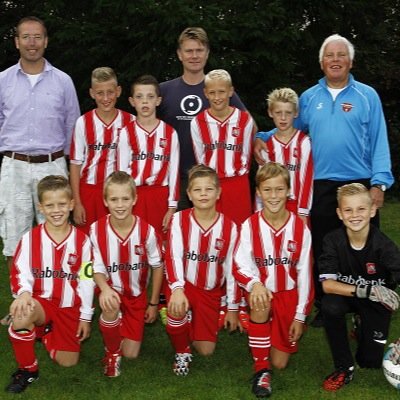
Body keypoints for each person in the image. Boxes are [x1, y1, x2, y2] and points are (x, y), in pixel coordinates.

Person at [254, 33, 394, 327]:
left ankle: (368, 304)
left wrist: (379, 183)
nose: (335, 60)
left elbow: (380, 139)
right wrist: (261, 137)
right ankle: (324, 302)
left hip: (359, 181)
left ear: (351, 61)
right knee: (322, 245)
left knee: (364, 245)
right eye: (329, 55)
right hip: (320, 185)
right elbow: (289, 128)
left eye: (341, 55)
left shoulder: (367, 96)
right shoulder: (309, 98)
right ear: (321, 62)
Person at [0, 16, 80, 272]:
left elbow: (73, 127)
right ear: (16, 42)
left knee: (58, 233)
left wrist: (68, 165)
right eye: (26, 37)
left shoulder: (63, 81)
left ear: (46, 41)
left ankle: (57, 300)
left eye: (37, 37)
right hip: (15, 166)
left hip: (52, 166)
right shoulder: (3, 81)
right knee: (14, 237)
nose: (31, 43)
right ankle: (19, 305)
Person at [5, 175, 94, 393]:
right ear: (41, 207)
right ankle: (28, 369)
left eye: (62, 204)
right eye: (50, 205)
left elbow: (87, 281)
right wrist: (24, 293)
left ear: (71, 204)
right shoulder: (30, 239)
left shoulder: (82, 241)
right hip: (41, 303)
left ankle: (43, 332)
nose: (57, 210)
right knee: (21, 313)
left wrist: (85, 316)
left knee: (68, 362)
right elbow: (19, 271)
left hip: (68, 307)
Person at [233, 162, 314, 398]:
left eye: (279, 189)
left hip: (289, 296)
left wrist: (300, 316)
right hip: (263, 293)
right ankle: (261, 370)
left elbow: (306, 276)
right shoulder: (250, 225)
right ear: (258, 192)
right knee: (260, 299)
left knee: (280, 363)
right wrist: (254, 284)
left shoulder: (300, 229)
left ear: (288, 190)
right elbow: (239, 264)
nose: (274, 196)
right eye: (267, 190)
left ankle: (262, 335)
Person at [319, 183, 400, 391]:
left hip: (377, 300)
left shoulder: (384, 246)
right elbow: (327, 285)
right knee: (330, 306)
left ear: (372, 210)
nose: (355, 215)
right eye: (348, 210)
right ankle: (344, 367)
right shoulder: (332, 241)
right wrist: (366, 290)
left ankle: (360, 325)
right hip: (348, 295)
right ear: (339, 213)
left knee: (370, 361)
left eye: (361, 209)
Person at [158, 27, 248, 211]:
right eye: (189, 51)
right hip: (175, 178)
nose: (194, 55)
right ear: (179, 54)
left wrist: (262, 138)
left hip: (211, 180)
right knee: (179, 235)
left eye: (199, 50)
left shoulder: (220, 89)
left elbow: (248, 124)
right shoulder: (164, 91)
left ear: (207, 53)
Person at [165, 164, 239, 376]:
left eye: (209, 189)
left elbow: (232, 269)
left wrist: (233, 307)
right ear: (188, 194)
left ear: (218, 192)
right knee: (177, 310)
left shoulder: (230, 227)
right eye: (197, 190)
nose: (203, 194)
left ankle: (188, 323)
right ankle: (182, 350)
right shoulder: (179, 220)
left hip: (210, 291)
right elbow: (173, 256)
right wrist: (177, 288)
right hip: (185, 284)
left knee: (206, 350)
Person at [91, 171, 163, 377]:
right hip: (111, 291)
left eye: (125, 199)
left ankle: (118, 325)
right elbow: (93, 267)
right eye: (114, 199)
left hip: (136, 296)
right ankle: (112, 353)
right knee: (111, 302)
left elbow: (158, 266)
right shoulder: (96, 230)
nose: (120, 205)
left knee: (131, 354)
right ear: (105, 201)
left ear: (135, 199)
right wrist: (104, 289)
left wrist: (153, 302)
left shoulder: (146, 231)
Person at [70, 67, 134, 235]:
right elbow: (75, 164)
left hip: (119, 192)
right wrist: (77, 203)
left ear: (118, 91)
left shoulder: (131, 121)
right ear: (92, 93)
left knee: (117, 239)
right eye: (100, 93)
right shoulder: (83, 122)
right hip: (89, 192)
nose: (105, 98)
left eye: (110, 92)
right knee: (86, 243)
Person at [117, 74, 180, 239]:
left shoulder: (170, 133)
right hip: (135, 198)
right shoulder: (126, 133)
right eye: (139, 97)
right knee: (136, 246)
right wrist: (124, 202)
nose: (145, 101)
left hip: (160, 197)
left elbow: (174, 173)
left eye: (150, 96)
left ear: (158, 100)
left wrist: (172, 207)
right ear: (132, 101)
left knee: (161, 248)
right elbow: (121, 174)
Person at [190, 69, 254, 226]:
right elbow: (200, 160)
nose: (217, 97)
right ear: (205, 93)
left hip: (238, 185)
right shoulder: (197, 122)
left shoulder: (245, 120)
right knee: (213, 231)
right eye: (212, 92)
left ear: (231, 91)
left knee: (240, 232)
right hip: (210, 184)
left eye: (221, 92)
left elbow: (247, 154)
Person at [254, 88, 313, 223]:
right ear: (270, 113)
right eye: (278, 113)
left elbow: (307, 179)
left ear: (296, 113)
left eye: (288, 113)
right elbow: (261, 180)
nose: (283, 118)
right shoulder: (265, 144)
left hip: (296, 205)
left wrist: (303, 211)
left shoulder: (304, 142)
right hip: (271, 205)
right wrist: (258, 209)